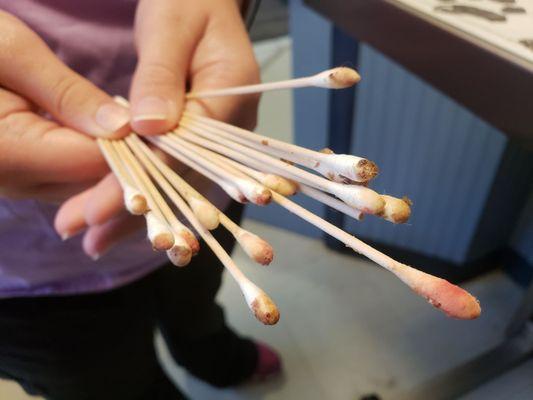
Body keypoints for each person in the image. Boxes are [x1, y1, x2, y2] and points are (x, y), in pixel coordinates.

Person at [0, 0, 280, 399]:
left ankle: (212, 355)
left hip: (201, 185)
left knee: (198, 307)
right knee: (111, 383)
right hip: (28, 275)